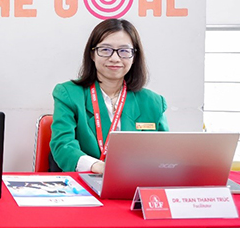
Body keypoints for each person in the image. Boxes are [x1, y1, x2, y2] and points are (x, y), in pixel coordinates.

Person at [50, 19, 168, 173]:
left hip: (136, 181)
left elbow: (165, 153)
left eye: (124, 51)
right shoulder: (68, 94)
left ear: (134, 56)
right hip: (86, 180)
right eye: (105, 50)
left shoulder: (153, 102)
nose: (115, 58)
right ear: (92, 54)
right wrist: (98, 167)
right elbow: (62, 145)